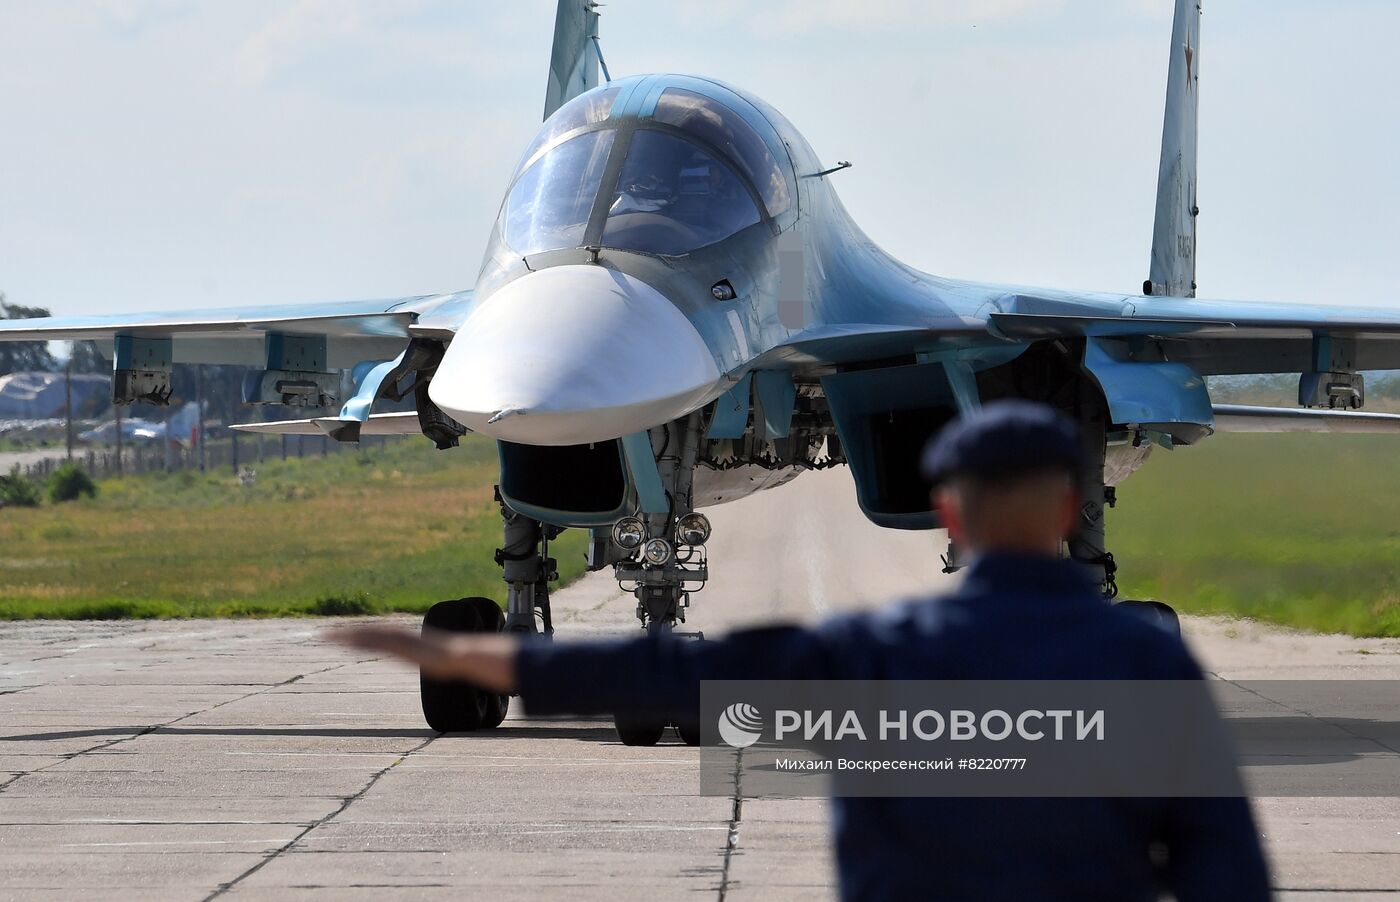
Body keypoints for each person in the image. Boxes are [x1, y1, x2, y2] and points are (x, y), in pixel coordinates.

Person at [329, 400, 1272, 902]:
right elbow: (1224, 868)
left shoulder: (866, 653)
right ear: (1071, 508)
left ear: (946, 510)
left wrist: (470, 660)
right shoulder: (1149, 668)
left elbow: (661, 675)